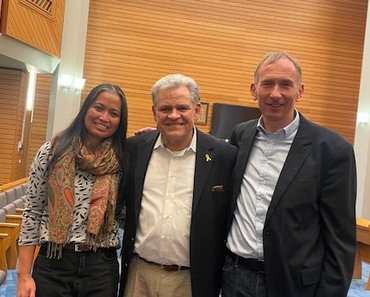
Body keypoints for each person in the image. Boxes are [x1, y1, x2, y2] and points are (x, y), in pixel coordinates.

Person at [222, 51, 357, 297]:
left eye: (286, 84)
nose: (276, 93)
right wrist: (165, 139)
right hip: (234, 277)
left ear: (300, 91)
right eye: (267, 83)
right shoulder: (240, 135)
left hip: (293, 286)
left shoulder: (333, 151)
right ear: (254, 90)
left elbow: (341, 242)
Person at [118, 74, 237, 297]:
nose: (174, 115)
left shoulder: (224, 156)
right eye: (165, 108)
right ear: (154, 112)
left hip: (191, 282)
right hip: (138, 276)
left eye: (182, 107)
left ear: (197, 110)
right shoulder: (134, 148)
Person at [17, 83, 128, 297]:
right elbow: (33, 212)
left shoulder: (123, 159)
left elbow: (123, 216)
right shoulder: (52, 151)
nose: (104, 117)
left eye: (114, 113)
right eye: (99, 107)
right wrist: (23, 275)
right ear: (86, 108)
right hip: (54, 262)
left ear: (120, 121)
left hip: (101, 267)